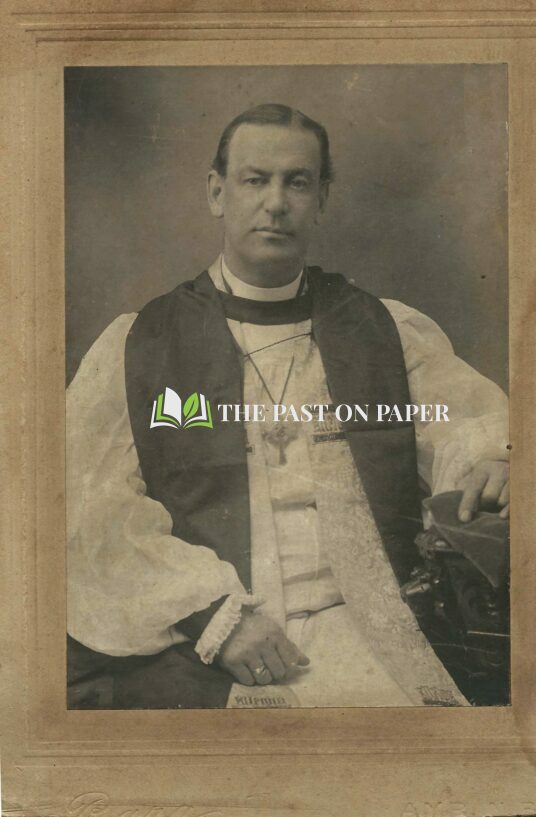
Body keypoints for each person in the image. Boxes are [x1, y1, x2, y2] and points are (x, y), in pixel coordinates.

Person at [67, 104, 509, 710]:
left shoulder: (383, 331)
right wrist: (214, 617)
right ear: (217, 192)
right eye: (255, 179)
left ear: (321, 197)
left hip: (368, 629)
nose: (275, 202)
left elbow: (474, 423)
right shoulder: (143, 342)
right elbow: (85, 508)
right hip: (209, 641)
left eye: (297, 182)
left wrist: (494, 458)